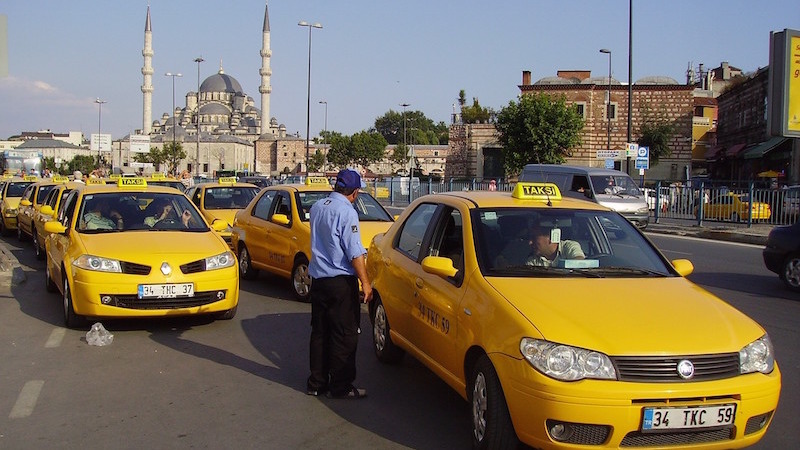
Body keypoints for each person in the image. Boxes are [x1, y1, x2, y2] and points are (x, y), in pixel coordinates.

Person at [307, 169, 372, 399]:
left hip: (319, 280)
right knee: (344, 334)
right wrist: (365, 283)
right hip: (340, 282)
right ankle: (341, 387)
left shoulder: (317, 207)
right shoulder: (347, 212)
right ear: (354, 192)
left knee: (320, 332)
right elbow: (355, 252)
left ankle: (317, 383)